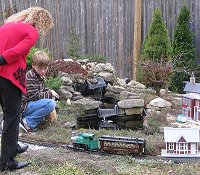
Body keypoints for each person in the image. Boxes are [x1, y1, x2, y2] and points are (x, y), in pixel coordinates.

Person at [0, 7, 53, 172]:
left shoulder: (7, 26)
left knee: (10, 115)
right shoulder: (31, 30)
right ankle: (7, 162)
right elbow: (19, 51)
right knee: (12, 118)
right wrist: (1, 60)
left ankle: (13, 147)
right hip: (9, 77)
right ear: (41, 22)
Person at [20, 50, 59, 133]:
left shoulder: (38, 75)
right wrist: (50, 93)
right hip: (24, 107)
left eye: (45, 68)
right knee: (50, 104)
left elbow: (41, 90)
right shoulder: (30, 76)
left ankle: (31, 120)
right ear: (33, 65)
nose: (43, 71)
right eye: (40, 68)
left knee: (51, 101)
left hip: (30, 104)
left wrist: (49, 91)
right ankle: (27, 123)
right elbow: (35, 96)